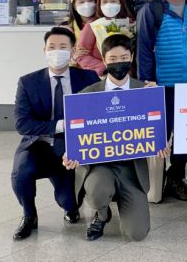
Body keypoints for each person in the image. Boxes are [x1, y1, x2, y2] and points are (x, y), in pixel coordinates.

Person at [63, 34, 169, 241]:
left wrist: (160, 144)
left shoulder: (146, 91)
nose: (118, 62)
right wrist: (71, 153)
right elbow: (77, 133)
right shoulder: (87, 94)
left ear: (131, 58)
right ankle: (102, 215)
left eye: (123, 57)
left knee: (137, 234)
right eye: (112, 59)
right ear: (103, 60)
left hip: (132, 167)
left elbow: (155, 130)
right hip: (101, 165)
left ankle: (125, 201)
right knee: (96, 191)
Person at [11, 27, 100, 240]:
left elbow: (101, 111)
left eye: (63, 47)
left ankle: (71, 206)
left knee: (69, 201)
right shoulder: (28, 82)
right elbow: (23, 124)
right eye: (52, 47)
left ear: (72, 51)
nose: (57, 51)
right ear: (44, 50)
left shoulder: (87, 77)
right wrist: (60, 125)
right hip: (40, 144)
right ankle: (29, 215)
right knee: (21, 172)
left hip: (74, 146)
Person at [136, 0, 187, 202]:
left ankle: (176, 178)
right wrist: (147, 80)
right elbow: (143, 47)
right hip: (163, 85)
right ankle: (154, 181)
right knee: (160, 135)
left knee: (185, 135)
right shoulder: (153, 9)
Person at [76, 0, 134, 76]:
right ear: (99, 5)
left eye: (113, 1)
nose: (109, 5)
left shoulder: (131, 24)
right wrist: (104, 68)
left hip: (129, 75)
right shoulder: (93, 26)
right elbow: (81, 55)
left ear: (121, 3)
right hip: (103, 77)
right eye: (105, 2)